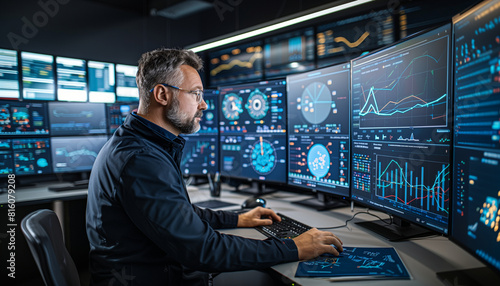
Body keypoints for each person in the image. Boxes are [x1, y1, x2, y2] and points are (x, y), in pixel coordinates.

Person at [86, 47, 343, 286]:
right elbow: (203, 249)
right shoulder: (142, 160)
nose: (204, 104)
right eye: (196, 94)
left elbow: (180, 215)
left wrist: (238, 218)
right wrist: (294, 247)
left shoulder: (140, 143)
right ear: (162, 94)